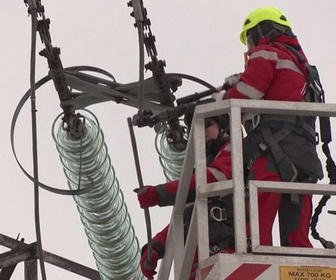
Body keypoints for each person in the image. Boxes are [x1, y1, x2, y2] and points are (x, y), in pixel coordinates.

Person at [136, 103, 236, 279]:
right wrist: (155, 247)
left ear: (224, 127)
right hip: (203, 254)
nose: (201, 132)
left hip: (230, 246)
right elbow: (184, 216)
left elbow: (214, 179)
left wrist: (159, 194)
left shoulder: (236, 151)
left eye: (207, 124)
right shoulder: (202, 170)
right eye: (195, 129)